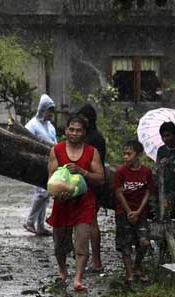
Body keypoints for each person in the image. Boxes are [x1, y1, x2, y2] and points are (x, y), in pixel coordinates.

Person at [47, 114, 105, 292]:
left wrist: (82, 171)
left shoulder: (91, 152)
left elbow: (101, 178)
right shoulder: (56, 150)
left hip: (84, 202)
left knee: (82, 240)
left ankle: (78, 278)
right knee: (60, 243)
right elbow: (51, 179)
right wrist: (58, 194)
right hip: (62, 202)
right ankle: (63, 271)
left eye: (78, 130)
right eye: (71, 129)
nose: (74, 133)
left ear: (84, 133)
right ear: (65, 130)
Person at [113, 140, 153, 285]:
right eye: (124, 154)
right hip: (123, 213)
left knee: (144, 242)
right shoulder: (120, 172)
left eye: (129, 154)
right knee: (126, 244)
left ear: (139, 155)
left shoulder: (146, 172)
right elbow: (119, 193)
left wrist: (138, 211)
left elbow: (148, 192)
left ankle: (137, 267)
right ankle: (129, 275)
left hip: (140, 213)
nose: (126, 157)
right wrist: (130, 212)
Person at [22, 94, 57, 236]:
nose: (51, 114)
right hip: (37, 162)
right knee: (42, 193)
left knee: (46, 193)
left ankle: (40, 226)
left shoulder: (50, 126)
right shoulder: (31, 125)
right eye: (49, 110)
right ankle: (30, 221)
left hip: (51, 163)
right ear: (43, 109)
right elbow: (25, 141)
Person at [77, 104, 106, 272]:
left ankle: (95, 261)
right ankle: (91, 260)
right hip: (86, 182)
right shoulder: (91, 136)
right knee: (85, 223)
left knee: (91, 223)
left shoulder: (93, 138)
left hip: (90, 182)